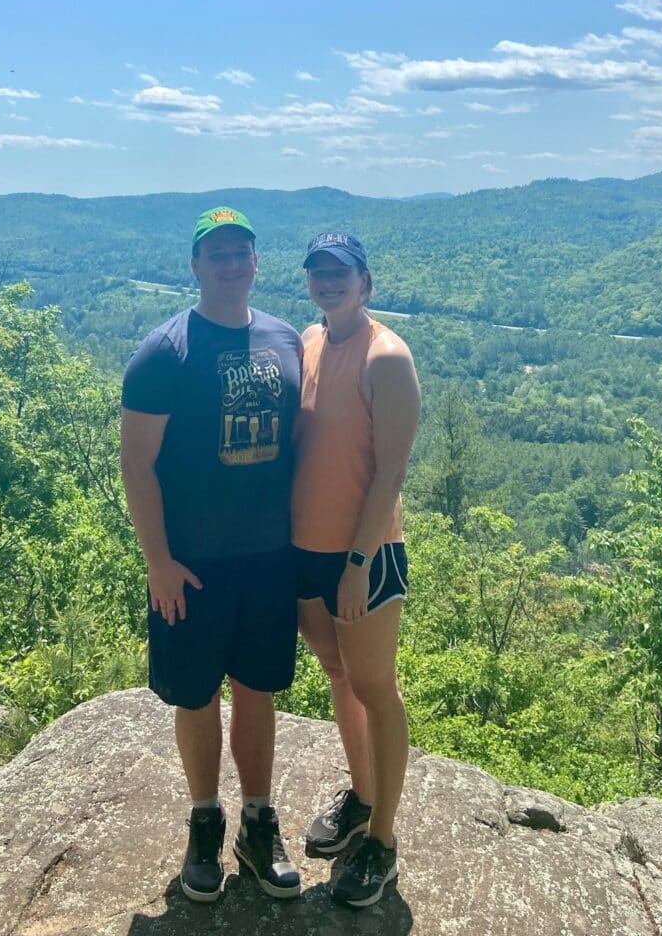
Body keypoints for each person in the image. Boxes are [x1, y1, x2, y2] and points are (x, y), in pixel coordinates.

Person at [120, 207, 303, 903]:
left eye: (242, 250)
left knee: (257, 691)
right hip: (191, 563)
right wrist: (158, 562)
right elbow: (137, 464)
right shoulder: (165, 352)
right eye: (216, 253)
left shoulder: (286, 341)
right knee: (196, 695)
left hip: (268, 559)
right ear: (195, 266)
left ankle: (258, 823)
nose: (231, 262)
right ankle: (205, 820)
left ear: (257, 260)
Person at [292, 231, 421, 908]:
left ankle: (385, 842)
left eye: (340, 272)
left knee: (376, 687)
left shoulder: (387, 357)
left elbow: (391, 472)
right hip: (306, 552)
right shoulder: (310, 343)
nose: (328, 281)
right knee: (339, 675)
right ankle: (363, 799)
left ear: (365, 282)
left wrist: (357, 563)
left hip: (362, 555)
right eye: (318, 271)